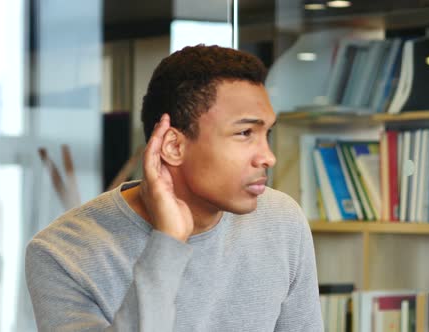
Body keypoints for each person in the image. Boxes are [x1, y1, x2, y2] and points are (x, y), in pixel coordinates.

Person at [25, 44, 323, 331]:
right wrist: (167, 243)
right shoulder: (61, 254)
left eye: (266, 133)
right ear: (173, 146)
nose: (268, 156)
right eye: (245, 133)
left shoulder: (281, 220)